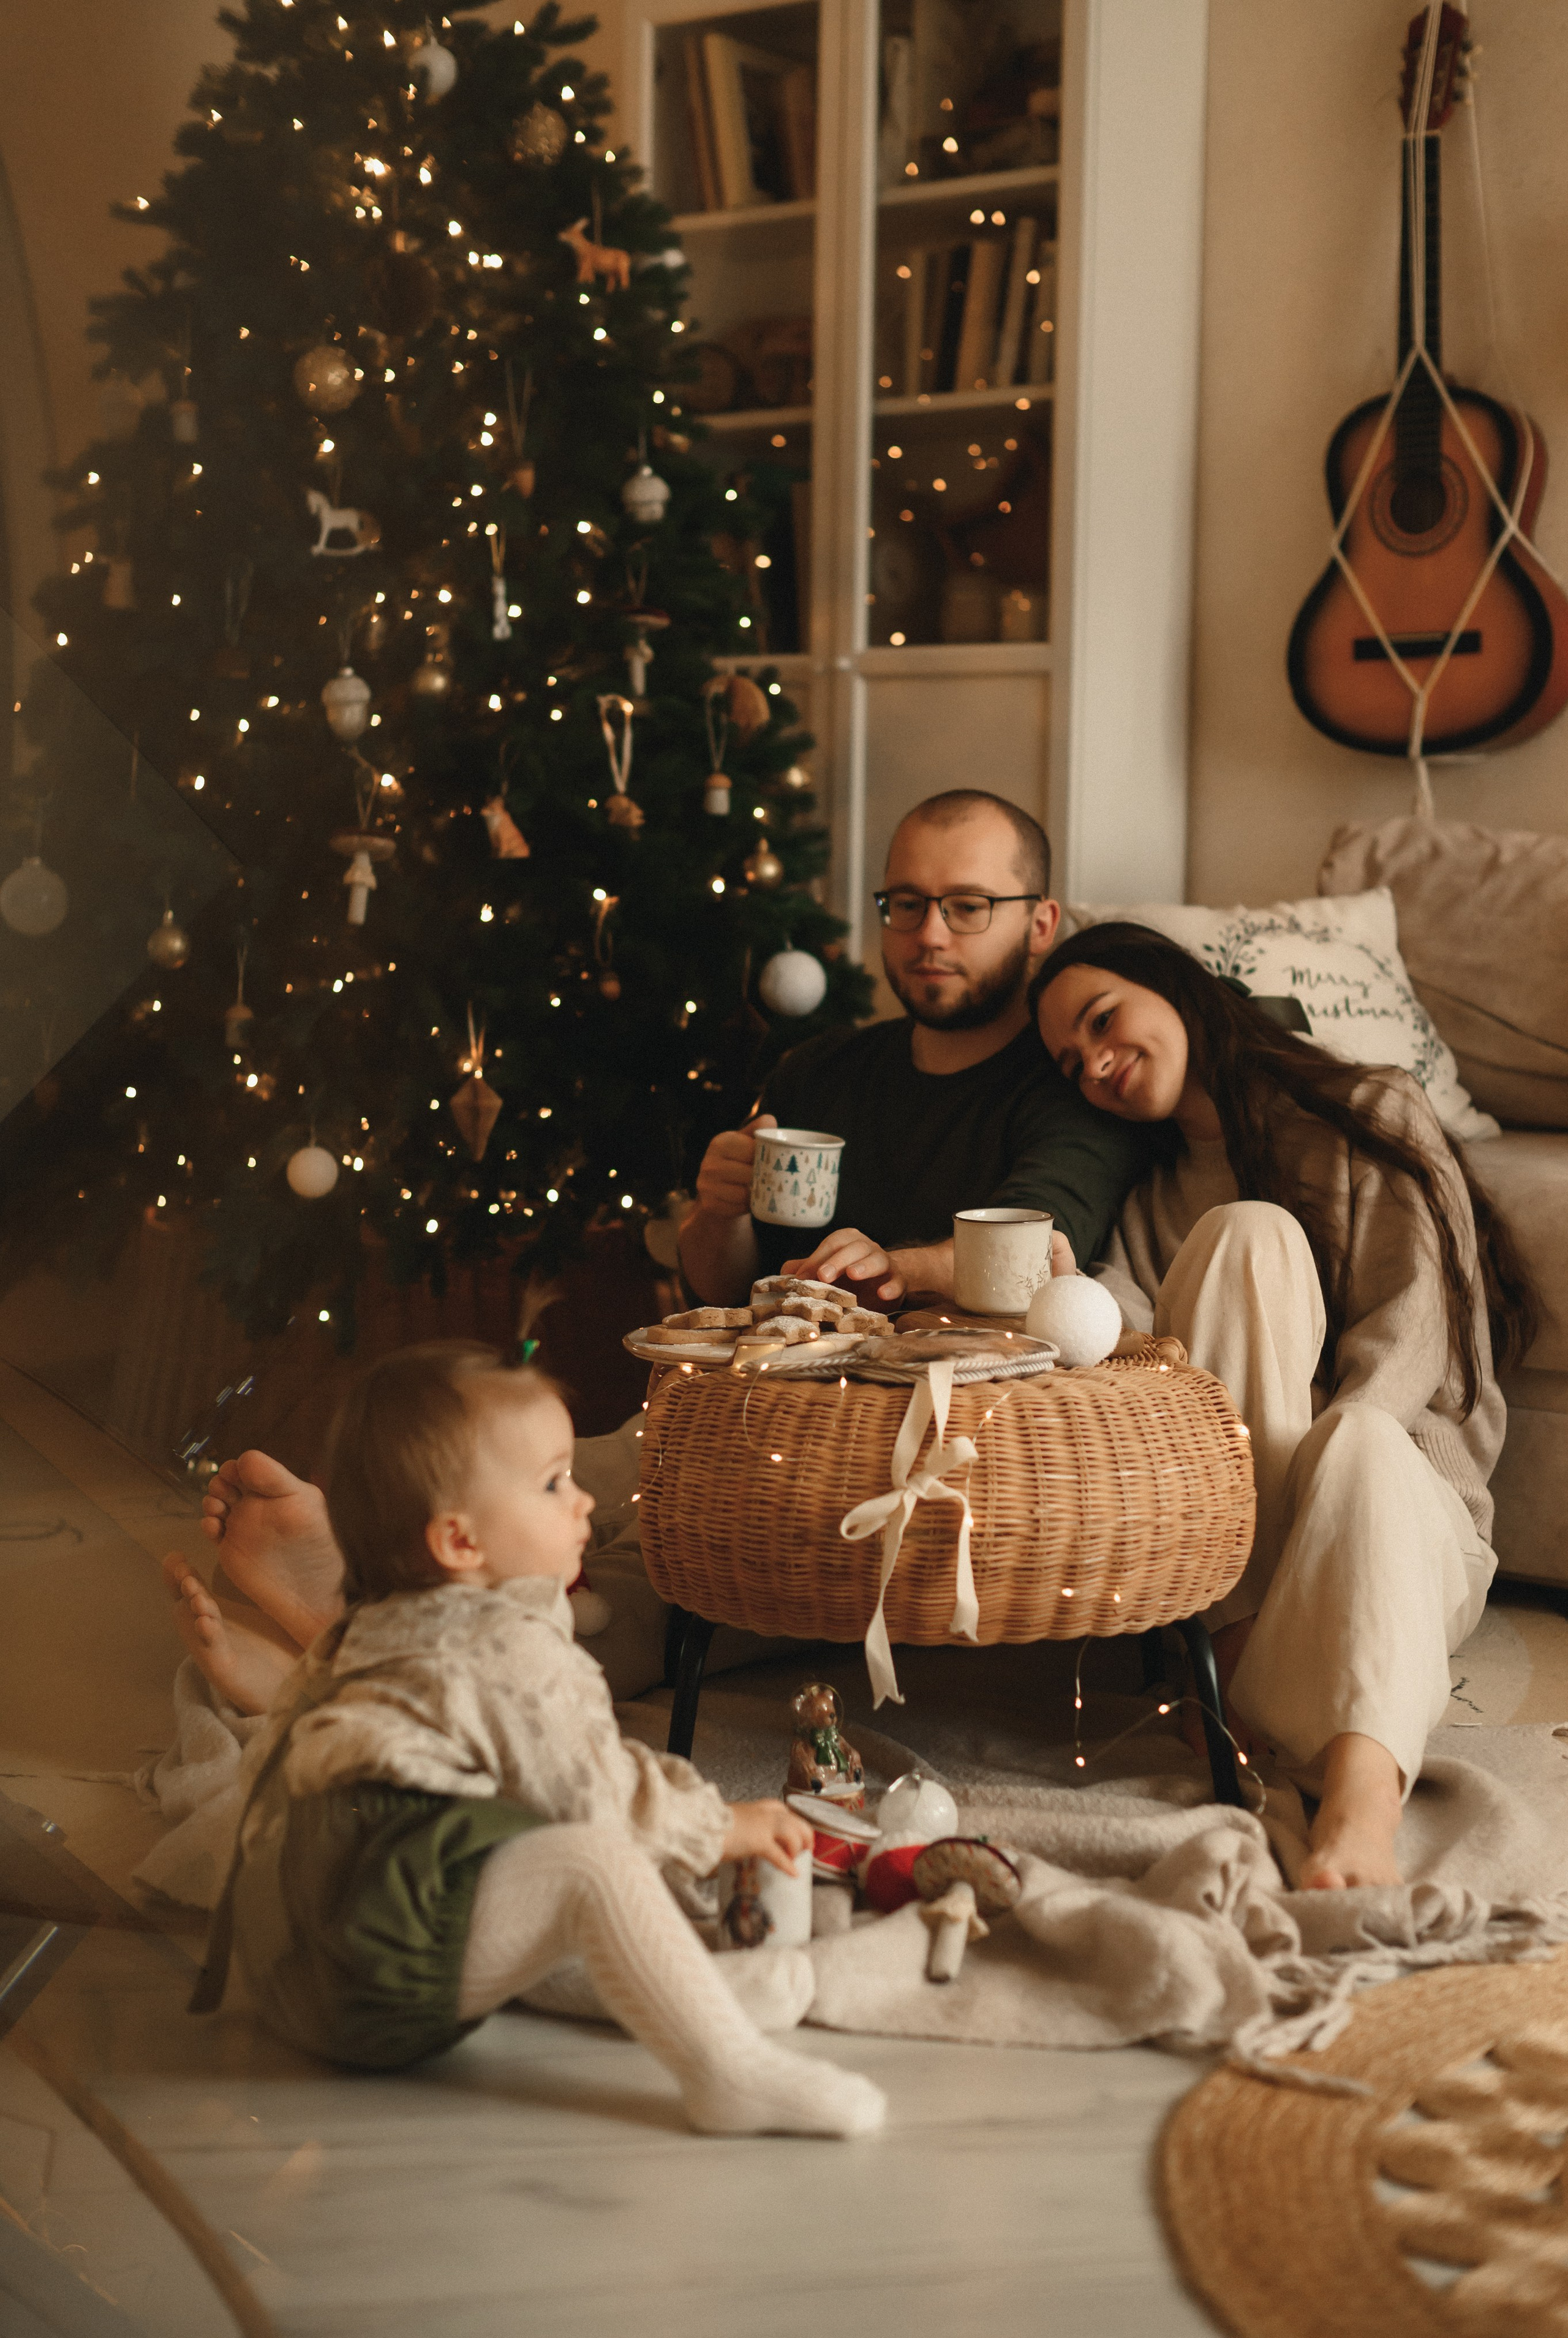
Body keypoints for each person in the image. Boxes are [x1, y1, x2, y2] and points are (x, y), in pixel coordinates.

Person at [189, 1341, 887, 2140]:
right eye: (554, 1483)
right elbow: (598, 1796)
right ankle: (728, 2072)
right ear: (460, 1542)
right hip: (380, 1971)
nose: (583, 1500)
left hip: (293, 1975)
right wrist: (724, 1824)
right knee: (592, 1859)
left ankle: (689, 1990)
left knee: (519, 1838)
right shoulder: (511, 1650)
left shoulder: (389, 1620)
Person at [1031, 922, 1539, 1893]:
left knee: (1363, 1440)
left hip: (1398, 1518)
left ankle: (1356, 1802)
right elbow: (1139, 1364)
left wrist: (1336, 1459)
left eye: (1103, 1020)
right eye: (1070, 1062)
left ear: (1174, 989)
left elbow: (1417, 1331)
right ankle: (1244, 1657)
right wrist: (1072, 1297)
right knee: (1246, 1238)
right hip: (1248, 1561)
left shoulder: (1368, 1109)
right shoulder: (1150, 1200)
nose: (1096, 1063)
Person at [678, 790, 1148, 1309]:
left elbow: (1029, 1252)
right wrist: (720, 1213)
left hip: (987, 1390)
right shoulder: (815, 1069)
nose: (930, 935)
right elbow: (718, 1292)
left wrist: (896, 1269)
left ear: (1040, 926)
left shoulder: (1079, 1084)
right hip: (788, 1389)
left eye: (968, 907)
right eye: (906, 904)